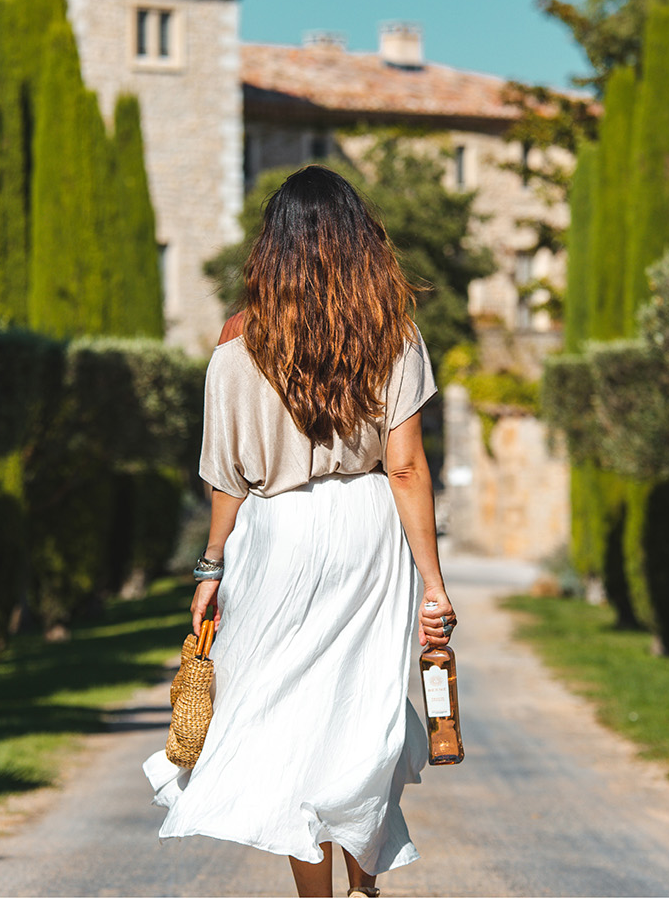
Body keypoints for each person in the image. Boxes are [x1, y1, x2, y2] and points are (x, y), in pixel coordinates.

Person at [143, 165, 457, 898]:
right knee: (359, 714)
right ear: (359, 240)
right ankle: (362, 885)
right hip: (368, 532)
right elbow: (406, 468)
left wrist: (209, 568)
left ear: (271, 247)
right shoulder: (393, 334)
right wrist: (434, 589)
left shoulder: (234, 340)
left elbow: (226, 476)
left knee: (287, 720)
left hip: (275, 534)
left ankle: (318, 895)